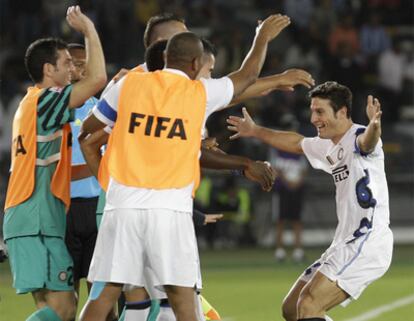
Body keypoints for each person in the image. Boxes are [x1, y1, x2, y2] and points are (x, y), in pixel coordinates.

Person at [79, 14, 291, 321]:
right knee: (182, 298)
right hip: (170, 209)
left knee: (105, 295)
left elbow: (89, 128)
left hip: (122, 204)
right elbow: (246, 77)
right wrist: (262, 37)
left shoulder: (128, 84)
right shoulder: (199, 92)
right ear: (195, 65)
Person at [226, 81, 393, 321]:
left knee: (309, 305)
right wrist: (255, 130)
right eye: (312, 111)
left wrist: (374, 125)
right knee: (292, 308)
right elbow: (296, 143)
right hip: (343, 243)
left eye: (320, 111)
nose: (313, 118)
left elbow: (368, 142)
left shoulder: (357, 136)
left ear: (342, 112)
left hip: (367, 240)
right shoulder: (328, 145)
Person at [3, 6, 106, 321]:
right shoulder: (45, 102)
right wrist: (89, 31)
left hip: (34, 218)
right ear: (49, 70)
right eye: (66, 64)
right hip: (36, 220)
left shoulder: (33, 103)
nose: (72, 69)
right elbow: (98, 78)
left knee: (57, 309)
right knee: (61, 310)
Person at [64, 43, 107, 316]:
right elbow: (58, 172)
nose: (81, 69)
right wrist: (100, 168)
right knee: (67, 300)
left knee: (102, 297)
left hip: (98, 210)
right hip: (65, 209)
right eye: (75, 63)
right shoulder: (56, 109)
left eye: (85, 63)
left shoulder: (103, 108)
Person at [269, 114, 308, 263]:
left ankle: (298, 250)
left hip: (297, 188)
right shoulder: (277, 149)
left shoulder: (299, 148)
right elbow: (275, 168)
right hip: (282, 188)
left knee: (297, 219)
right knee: (280, 219)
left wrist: (298, 182)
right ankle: (280, 250)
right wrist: (287, 181)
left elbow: (304, 169)